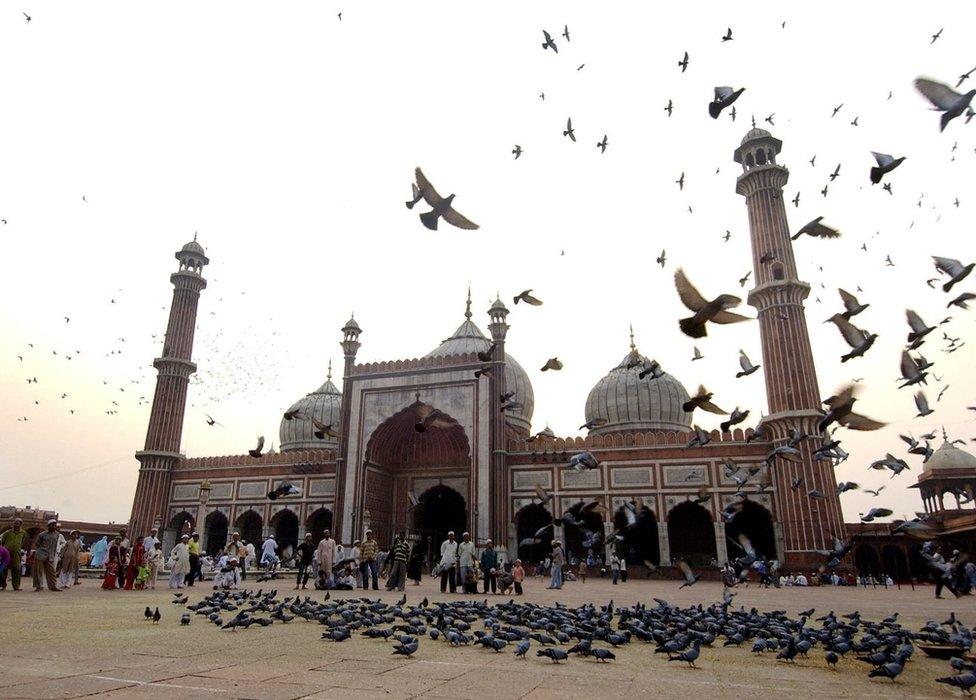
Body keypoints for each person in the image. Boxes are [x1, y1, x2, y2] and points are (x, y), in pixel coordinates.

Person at [31, 519, 61, 592]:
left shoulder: (57, 534)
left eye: (54, 525)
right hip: (40, 555)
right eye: (51, 525)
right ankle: (39, 586)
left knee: (51, 572)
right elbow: (37, 544)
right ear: (48, 526)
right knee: (39, 571)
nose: (53, 526)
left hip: (50, 555)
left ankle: (52, 586)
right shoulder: (42, 534)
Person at [0, 518, 27, 591]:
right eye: (14, 523)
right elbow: (3, 542)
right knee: (4, 569)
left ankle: (16, 586)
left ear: (20, 525)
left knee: (16, 569)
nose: (15, 525)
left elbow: (22, 542)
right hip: (6, 554)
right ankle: (3, 585)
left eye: (17, 523)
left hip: (16, 553)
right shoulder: (7, 532)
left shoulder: (23, 533)